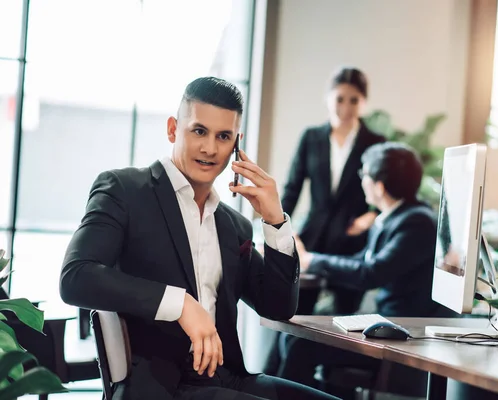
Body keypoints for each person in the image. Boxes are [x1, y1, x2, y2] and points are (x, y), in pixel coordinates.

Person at [60, 77, 339, 400]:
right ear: (172, 129)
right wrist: (180, 304)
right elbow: (75, 278)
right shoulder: (124, 191)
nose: (210, 149)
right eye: (199, 131)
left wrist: (275, 221)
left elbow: (277, 307)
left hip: (228, 379)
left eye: (223, 136)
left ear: (237, 143)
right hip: (160, 388)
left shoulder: (233, 226)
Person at [276, 142, 455, 395]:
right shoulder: (395, 216)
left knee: (298, 345)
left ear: (379, 186)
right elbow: (362, 261)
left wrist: (312, 261)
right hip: (385, 324)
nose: (362, 181)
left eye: (364, 175)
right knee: (292, 338)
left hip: (401, 333)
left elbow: (371, 273)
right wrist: (312, 259)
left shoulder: (416, 222)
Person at [281, 66, 386, 316]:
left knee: (345, 319)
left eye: (354, 100)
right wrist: (283, 229)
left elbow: (385, 190)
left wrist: (370, 217)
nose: (346, 107)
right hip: (312, 238)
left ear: (364, 103)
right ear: (328, 98)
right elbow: (292, 188)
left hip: (352, 240)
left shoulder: (375, 143)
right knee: (298, 313)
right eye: (339, 99)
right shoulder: (311, 137)